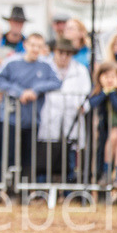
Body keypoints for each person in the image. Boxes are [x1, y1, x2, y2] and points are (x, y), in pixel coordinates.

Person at [0, 33, 62, 183]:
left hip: (32, 120)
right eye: (33, 45)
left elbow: (57, 82)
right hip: (10, 118)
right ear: (26, 45)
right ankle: (2, 188)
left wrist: (36, 90)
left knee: (28, 157)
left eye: (39, 46)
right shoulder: (12, 62)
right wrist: (18, 92)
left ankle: (24, 189)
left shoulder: (46, 65)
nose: (35, 49)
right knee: (6, 155)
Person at [38, 38, 91, 182]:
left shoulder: (80, 70)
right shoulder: (45, 66)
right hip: (50, 117)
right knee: (46, 156)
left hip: (71, 119)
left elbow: (86, 94)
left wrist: (82, 106)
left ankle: (69, 191)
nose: (63, 56)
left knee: (71, 157)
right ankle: (43, 190)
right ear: (55, 52)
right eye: (61, 52)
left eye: (68, 53)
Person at [86, 62, 117, 189]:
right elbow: (92, 103)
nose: (109, 80)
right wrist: (104, 91)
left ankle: (107, 171)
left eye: (112, 76)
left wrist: (113, 92)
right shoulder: (98, 89)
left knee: (115, 136)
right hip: (105, 129)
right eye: (106, 76)